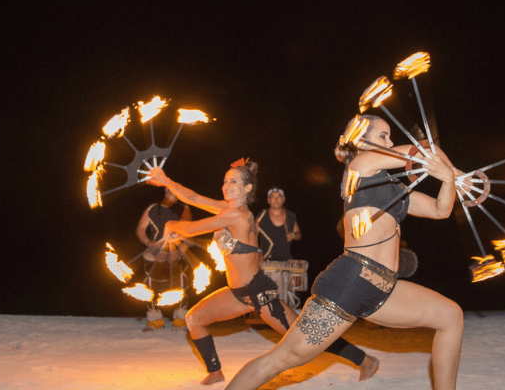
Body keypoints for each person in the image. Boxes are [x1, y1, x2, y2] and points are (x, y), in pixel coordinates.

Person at [226, 115, 465, 390]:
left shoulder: (395, 189)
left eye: (389, 137)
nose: (390, 142)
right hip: (350, 283)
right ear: (361, 141)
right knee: (283, 359)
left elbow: (440, 210)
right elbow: (425, 150)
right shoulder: (360, 165)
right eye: (382, 137)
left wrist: (449, 181)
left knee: (450, 316)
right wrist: (456, 172)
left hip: (383, 288)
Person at [147, 160, 378, 385]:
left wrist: (172, 226)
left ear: (247, 188)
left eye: (234, 182)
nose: (227, 186)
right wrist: (165, 179)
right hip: (237, 293)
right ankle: (215, 371)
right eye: (225, 181)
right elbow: (193, 198)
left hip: (259, 293)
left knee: (310, 336)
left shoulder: (239, 216)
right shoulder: (227, 208)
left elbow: (191, 228)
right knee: (194, 318)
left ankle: (365, 360)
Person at [134, 188, 193, 330]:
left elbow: (190, 230)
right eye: (169, 192)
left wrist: (182, 243)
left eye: (175, 193)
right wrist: (149, 243)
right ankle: (154, 319)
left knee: (181, 282)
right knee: (150, 284)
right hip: (155, 252)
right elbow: (141, 229)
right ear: (165, 193)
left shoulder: (184, 208)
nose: (172, 196)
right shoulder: (152, 208)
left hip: (175, 250)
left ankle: (180, 319)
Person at [256, 187, 306, 309]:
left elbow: (299, 234)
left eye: (279, 197)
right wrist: (258, 253)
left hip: (286, 259)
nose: (276, 200)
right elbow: (252, 235)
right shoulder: (261, 216)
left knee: (289, 292)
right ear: (268, 200)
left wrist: (293, 235)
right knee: (267, 291)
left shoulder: (290, 216)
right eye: (273, 197)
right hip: (266, 260)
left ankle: (287, 316)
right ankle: (267, 316)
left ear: (283, 200)